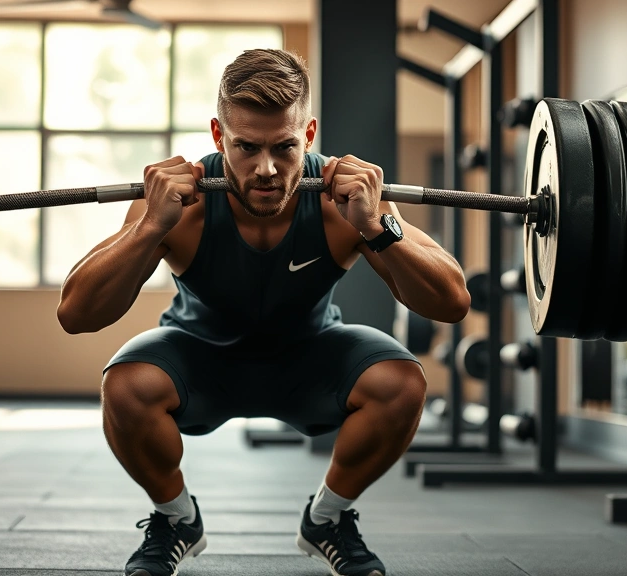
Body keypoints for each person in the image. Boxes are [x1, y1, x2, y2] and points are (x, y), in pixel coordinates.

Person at [57, 48, 470, 576]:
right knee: (125, 385)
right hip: (199, 360)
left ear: (310, 135)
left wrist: (375, 227)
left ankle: (328, 519)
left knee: (402, 383)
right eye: (246, 147)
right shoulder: (178, 202)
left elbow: (452, 301)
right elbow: (75, 313)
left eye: (285, 147)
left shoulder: (344, 198)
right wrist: (149, 229)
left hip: (310, 359)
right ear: (217, 136)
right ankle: (176, 518)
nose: (267, 169)